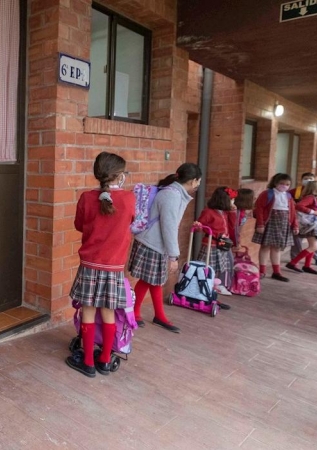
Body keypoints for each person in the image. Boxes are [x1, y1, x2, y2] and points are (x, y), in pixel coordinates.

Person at [65, 152, 135, 377]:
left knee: (88, 310)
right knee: (109, 312)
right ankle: (105, 359)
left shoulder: (86, 198)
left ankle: (87, 362)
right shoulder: (129, 199)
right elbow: (132, 222)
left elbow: (79, 225)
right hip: (113, 267)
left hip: (90, 265)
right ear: (119, 175)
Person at [129, 163, 202, 334]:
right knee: (151, 280)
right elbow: (168, 228)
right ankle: (145, 315)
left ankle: (150, 315)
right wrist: (174, 256)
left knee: (153, 281)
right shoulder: (172, 195)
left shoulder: (174, 193)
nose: (198, 185)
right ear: (192, 181)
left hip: (154, 243)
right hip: (152, 243)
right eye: (198, 181)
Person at [252, 173, 299, 282]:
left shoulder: (288, 196)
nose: (284, 186)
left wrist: (295, 225)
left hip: (283, 224)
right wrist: (260, 224)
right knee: (265, 247)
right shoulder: (267, 194)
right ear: (275, 183)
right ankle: (262, 271)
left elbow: (292, 212)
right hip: (269, 222)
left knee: (277, 248)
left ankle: (276, 272)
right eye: (281, 183)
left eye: (287, 184)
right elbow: (259, 209)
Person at [196, 187, 236, 304]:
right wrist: (198, 226)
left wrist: (233, 213)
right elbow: (200, 225)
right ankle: (206, 287)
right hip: (211, 244)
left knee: (221, 267)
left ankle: (216, 286)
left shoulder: (225, 212)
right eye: (231, 200)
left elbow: (232, 225)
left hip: (223, 244)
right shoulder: (208, 212)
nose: (233, 202)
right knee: (209, 267)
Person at [289, 173, 317, 266]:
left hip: (311, 222)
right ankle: (294, 260)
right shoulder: (300, 192)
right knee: (304, 242)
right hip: (303, 221)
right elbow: (298, 204)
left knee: (314, 243)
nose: (307, 180)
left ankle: (315, 259)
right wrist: (312, 211)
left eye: (310, 179)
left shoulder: (315, 193)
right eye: (305, 178)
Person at [286, 181, 317, 275]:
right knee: (313, 246)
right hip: (310, 225)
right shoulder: (311, 198)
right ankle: (293, 263)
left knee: (313, 246)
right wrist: (312, 212)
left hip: (312, 224)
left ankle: (307, 266)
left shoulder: (313, 198)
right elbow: (298, 206)